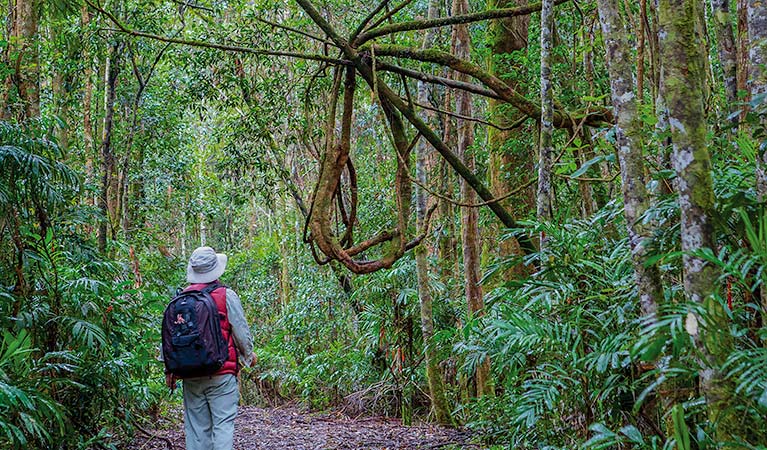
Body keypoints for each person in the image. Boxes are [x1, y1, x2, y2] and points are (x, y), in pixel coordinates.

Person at [167, 246, 256, 450]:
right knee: (223, 426)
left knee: (197, 430)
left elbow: (170, 337)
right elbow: (241, 332)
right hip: (221, 373)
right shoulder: (226, 295)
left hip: (189, 374)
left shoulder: (180, 300)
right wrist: (247, 357)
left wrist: (169, 370)